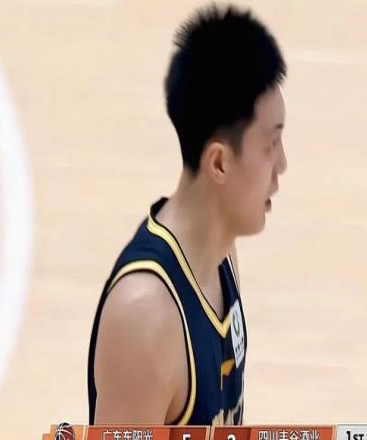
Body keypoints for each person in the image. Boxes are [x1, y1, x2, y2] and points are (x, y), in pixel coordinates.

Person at [88, 3, 287, 426]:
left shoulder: (220, 253)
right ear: (219, 163)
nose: (282, 165)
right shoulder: (146, 317)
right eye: (271, 146)